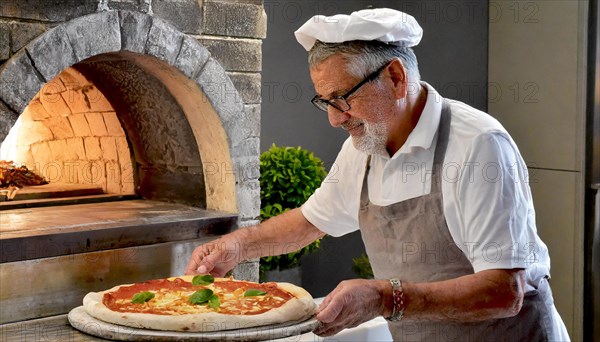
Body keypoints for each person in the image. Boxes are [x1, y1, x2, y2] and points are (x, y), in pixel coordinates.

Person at [186, 8, 570, 341]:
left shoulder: (478, 145)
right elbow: (309, 221)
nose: (336, 119)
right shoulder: (366, 146)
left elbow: (505, 291)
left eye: (343, 98)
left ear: (396, 76)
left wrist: (386, 297)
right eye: (325, 102)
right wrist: (238, 246)